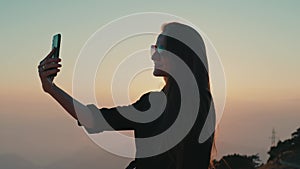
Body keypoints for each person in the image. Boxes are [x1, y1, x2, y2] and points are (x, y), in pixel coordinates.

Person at [38, 22, 216, 169]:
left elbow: (92, 118)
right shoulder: (203, 102)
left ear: (180, 55)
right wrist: (51, 88)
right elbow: (93, 118)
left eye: (160, 48)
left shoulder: (155, 104)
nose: (153, 56)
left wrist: (50, 87)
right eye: (154, 48)